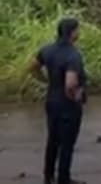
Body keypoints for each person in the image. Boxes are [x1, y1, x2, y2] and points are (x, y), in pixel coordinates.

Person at [28, 17, 87, 184]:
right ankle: (63, 179)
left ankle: (48, 176)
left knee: (52, 140)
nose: (79, 33)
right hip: (68, 105)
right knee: (67, 144)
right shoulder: (73, 55)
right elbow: (70, 83)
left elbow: (32, 68)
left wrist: (46, 81)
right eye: (78, 30)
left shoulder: (47, 50)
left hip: (51, 101)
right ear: (72, 33)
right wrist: (76, 96)